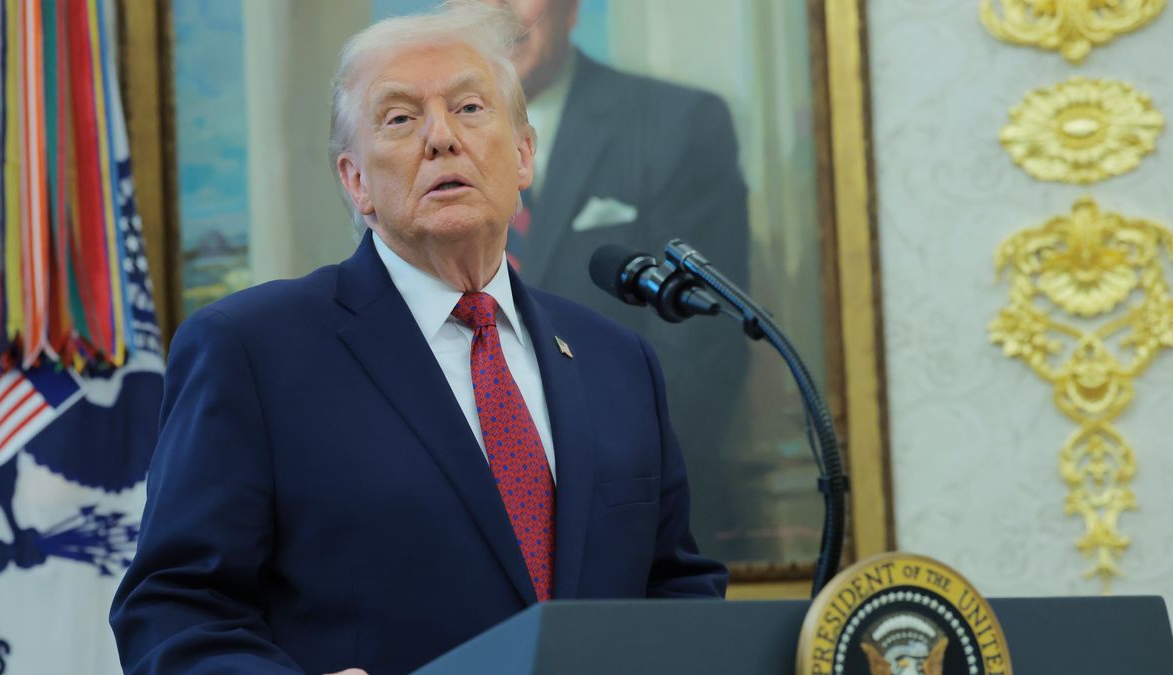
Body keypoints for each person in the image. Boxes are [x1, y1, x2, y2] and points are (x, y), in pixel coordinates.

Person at [108, 3, 726, 674]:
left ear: (522, 155)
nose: (441, 138)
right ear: (356, 181)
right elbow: (174, 611)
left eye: (469, 108)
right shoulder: (250, 351)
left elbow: (676, 589)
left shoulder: (617, 360)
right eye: (401, 118)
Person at [492, 0, 752, 557]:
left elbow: (701, 354)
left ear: (570, 8)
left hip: (635, 525)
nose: (497, 10)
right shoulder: (429, 149)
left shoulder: (678, 124)